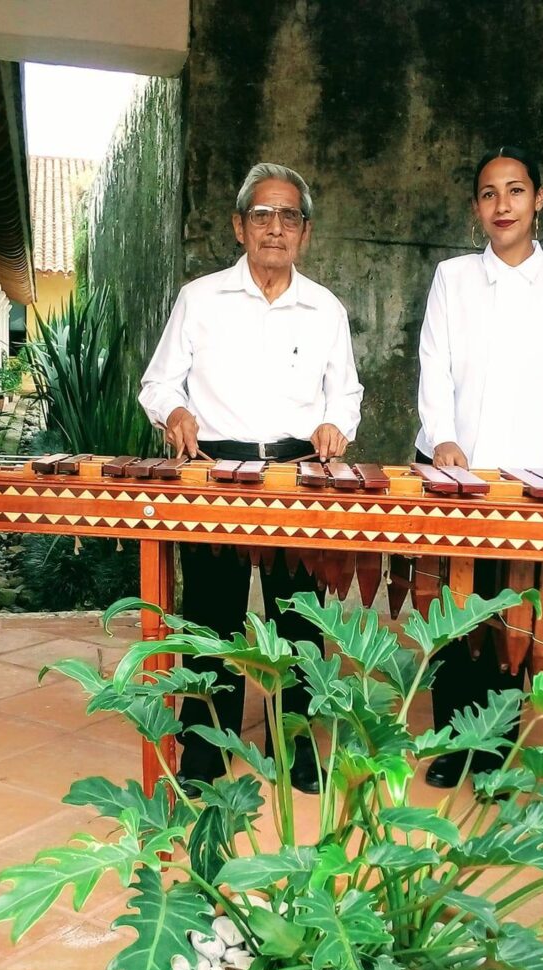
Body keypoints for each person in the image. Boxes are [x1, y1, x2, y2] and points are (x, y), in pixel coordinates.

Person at [139, 162, 363, 796]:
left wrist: (332, 426)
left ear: (305, 232)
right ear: (239, 226)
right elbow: (157, 381)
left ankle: (293, 745)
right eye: (261, 215)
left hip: (299, 468)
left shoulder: (326, 309)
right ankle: (207, 745)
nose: (274, 228)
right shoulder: (200, 298)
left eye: (288, 216)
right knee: (213, 616)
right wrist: (175, 410)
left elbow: (345, 393)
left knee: (300, 617)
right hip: (217, 467)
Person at [415, 145, 543, 788]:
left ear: (538, 199)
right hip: (455, 469)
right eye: (490, 193)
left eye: (516, 191)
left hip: (530, 472)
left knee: (509, 610)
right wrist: (440, 437)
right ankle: (449, 742)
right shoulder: (452, 277)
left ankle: (493, 750)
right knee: (451, 608)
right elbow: (433, 365)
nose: (503, 205)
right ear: (476, 207)